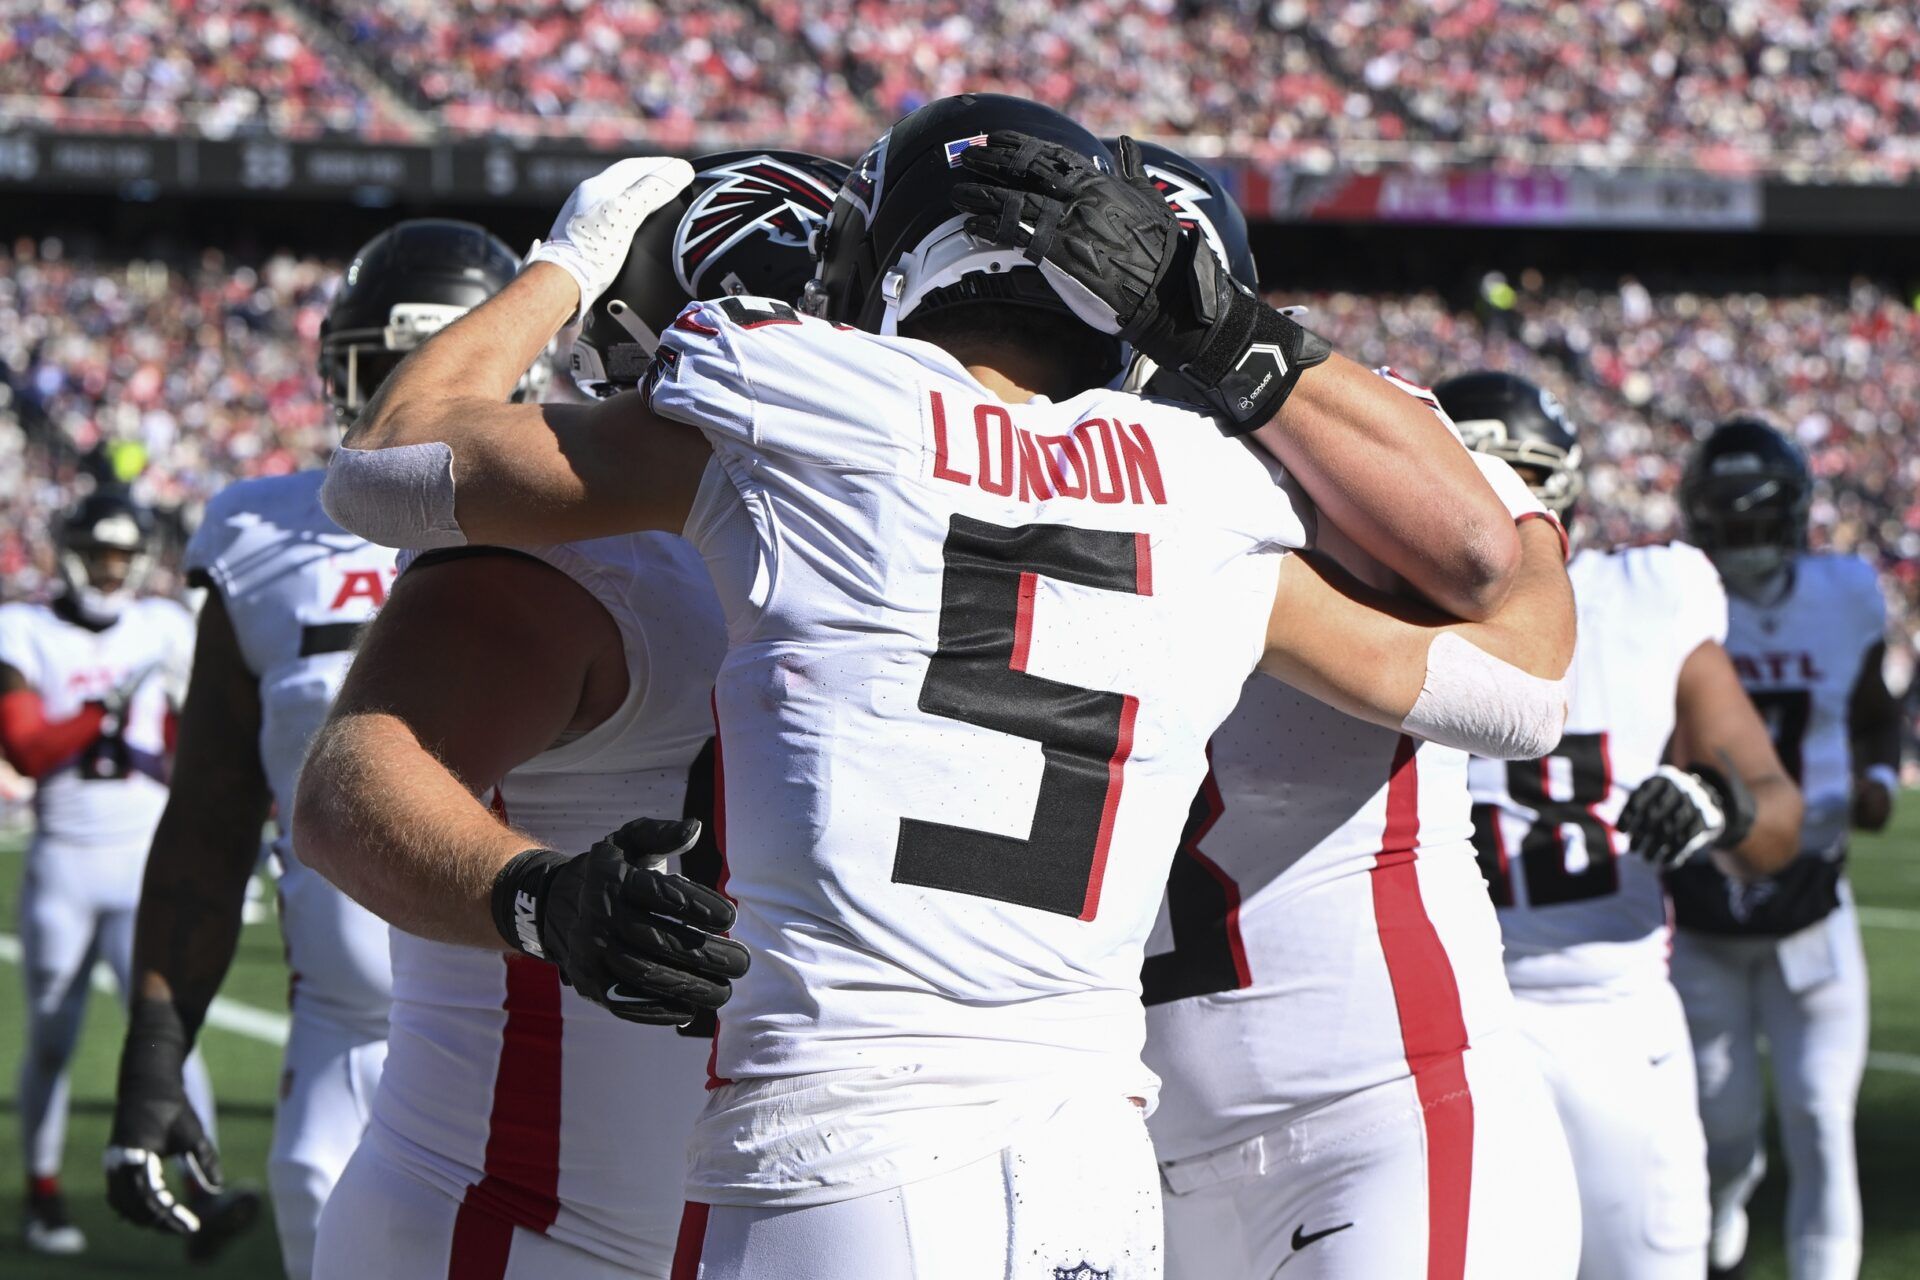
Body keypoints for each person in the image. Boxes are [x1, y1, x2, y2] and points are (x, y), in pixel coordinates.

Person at [313, 95, 1571, 1277]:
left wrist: (570, 259)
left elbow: (384, 465)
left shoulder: (798, 400)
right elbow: (1513, 695)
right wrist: (1533, 522)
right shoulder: (1204, 483)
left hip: (839, 1134)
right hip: (1095, 1157)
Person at [293, 152, 844, 1280]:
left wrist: (567, 266)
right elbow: (348, 792)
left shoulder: (905, 548)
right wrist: (541, 898)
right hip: (523, 1223)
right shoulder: (585, 555)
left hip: (755, 1219)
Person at [1127, 152, 1582, 1280]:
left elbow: (1524, 670)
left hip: (1376, 1109)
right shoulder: (998, 468)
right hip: (1133, 1147)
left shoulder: (1341, 445)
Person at [102, 218, 532, 1278]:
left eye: (410, 366)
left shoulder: (590, 516)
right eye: (380, 369)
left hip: (545, 1032)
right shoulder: (263, 533)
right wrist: (158, 1056)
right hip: (345, 1046)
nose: (391, 397)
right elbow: (209, 815)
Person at [1453, 375, 1802, 1280]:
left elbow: (1773, 815)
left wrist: (1717, 806)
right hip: (1444, 1023)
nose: (1495, 493)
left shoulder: (1650, 595)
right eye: (1470, 468)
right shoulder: (1368, 613)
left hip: (1608, 1014)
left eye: (1515, 471)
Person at [1666, 417, 1896, 1280]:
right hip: (1701, 914)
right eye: (1729, 529)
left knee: (1818, 1117)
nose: (1746, 548)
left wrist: (1879, 776)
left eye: (1759, 526)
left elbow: (1874, 712)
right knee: (1721, 1133)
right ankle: (1729, 1198)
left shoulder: (1842, 593)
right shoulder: (1675, 597)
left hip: (1812, 913)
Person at [0, 487, 200, 1255]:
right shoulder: (24, 629)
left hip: (146, 861)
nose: (109, 569)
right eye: (97, 553)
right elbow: (26, 749)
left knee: (171, 1033)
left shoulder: (164, 626)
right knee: (52, 1040)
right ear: (70, 552)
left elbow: (204, 736)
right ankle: (43, 1191)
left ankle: (200, 1191)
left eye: (122, 555)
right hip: (63, 863)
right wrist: (99, 709)